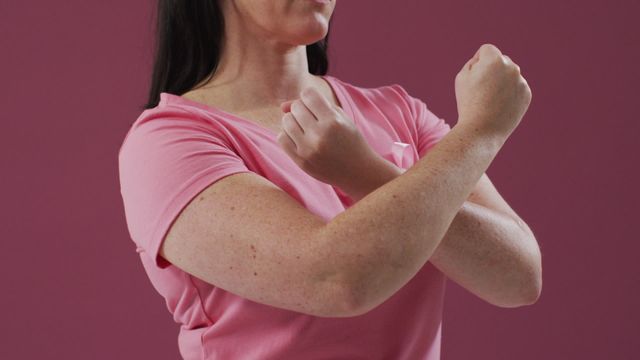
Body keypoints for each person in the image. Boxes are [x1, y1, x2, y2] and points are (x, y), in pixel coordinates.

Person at [118, 0, 541, 358]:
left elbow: (518, 278)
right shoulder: (167, 142)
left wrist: (366, 174)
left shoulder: (399, 114)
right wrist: (480, 132)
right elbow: (337, 282)